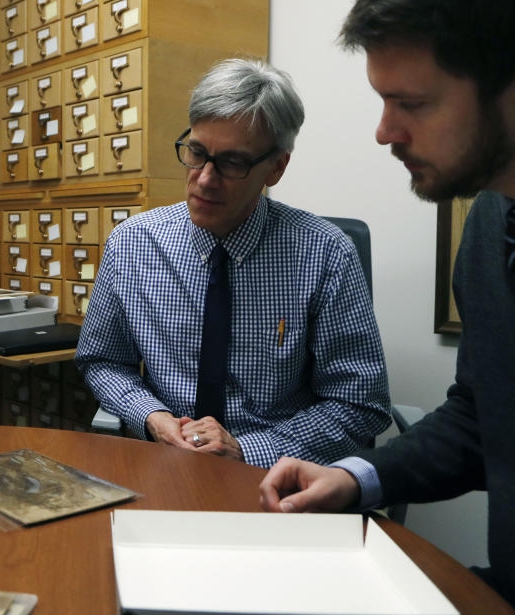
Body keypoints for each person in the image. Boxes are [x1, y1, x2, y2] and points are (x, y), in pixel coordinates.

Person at [259, 0, 515, 607]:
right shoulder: (488, 227)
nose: (385, 132)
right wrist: (354, 477)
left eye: (413, 104)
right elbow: (480, 419)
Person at [75, 59, 390, 468]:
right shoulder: (133, 244)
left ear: (276, 168)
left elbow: (360, 402)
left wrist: (248, 451)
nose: (205, 178)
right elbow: (102, 360)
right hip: (165, 463)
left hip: (277, 475)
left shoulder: (325, 255)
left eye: (232, 162)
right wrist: (152, 417)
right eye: (197, 153)